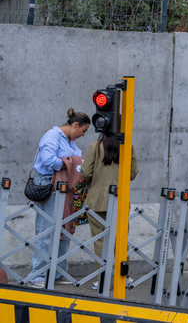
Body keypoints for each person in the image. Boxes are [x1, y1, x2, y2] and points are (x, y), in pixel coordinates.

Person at [29, 108, 90, 287]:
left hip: (65, 188)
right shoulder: (52, 136)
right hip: (49, 185)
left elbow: (78, 161)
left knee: (64, 230)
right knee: (46, 229)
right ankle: (37, 276)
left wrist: (71, 162)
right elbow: (49, 161)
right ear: (76, 125)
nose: (83, 135)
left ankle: (57, 273)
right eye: (83, 130)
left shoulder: (69, 140)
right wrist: (71, 163)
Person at [82, 132, 138, 290]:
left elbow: (86, 173)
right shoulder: (128, 147)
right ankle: (124, 277)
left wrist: (95, 183)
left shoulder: (94, 147)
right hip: (120, 199)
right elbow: (132, 173)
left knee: (100, 240)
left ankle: (102, 278)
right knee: (121, 239)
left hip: (97, 199)